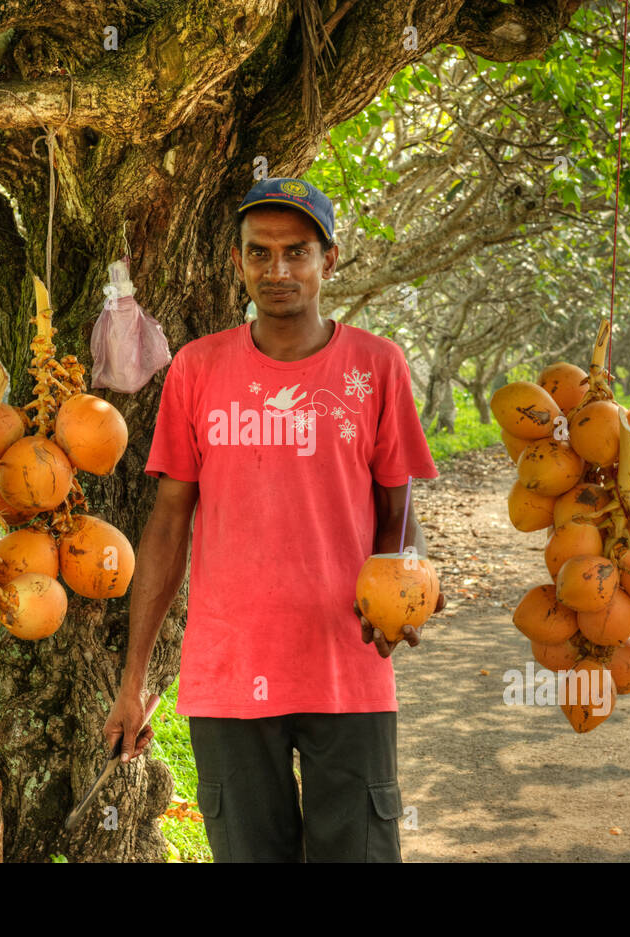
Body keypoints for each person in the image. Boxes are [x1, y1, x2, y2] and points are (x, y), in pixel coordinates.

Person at [104, 177, 444, 862]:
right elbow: (168, 524)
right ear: (238, 264)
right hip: (229, 672)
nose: (278, 270)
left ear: (329, 259)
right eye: (260, 254)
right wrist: (133, 681)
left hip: (347, 665)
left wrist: (398, 599)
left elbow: (398, 507)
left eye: (297, 253)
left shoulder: (377, 366)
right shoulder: (198, 369)